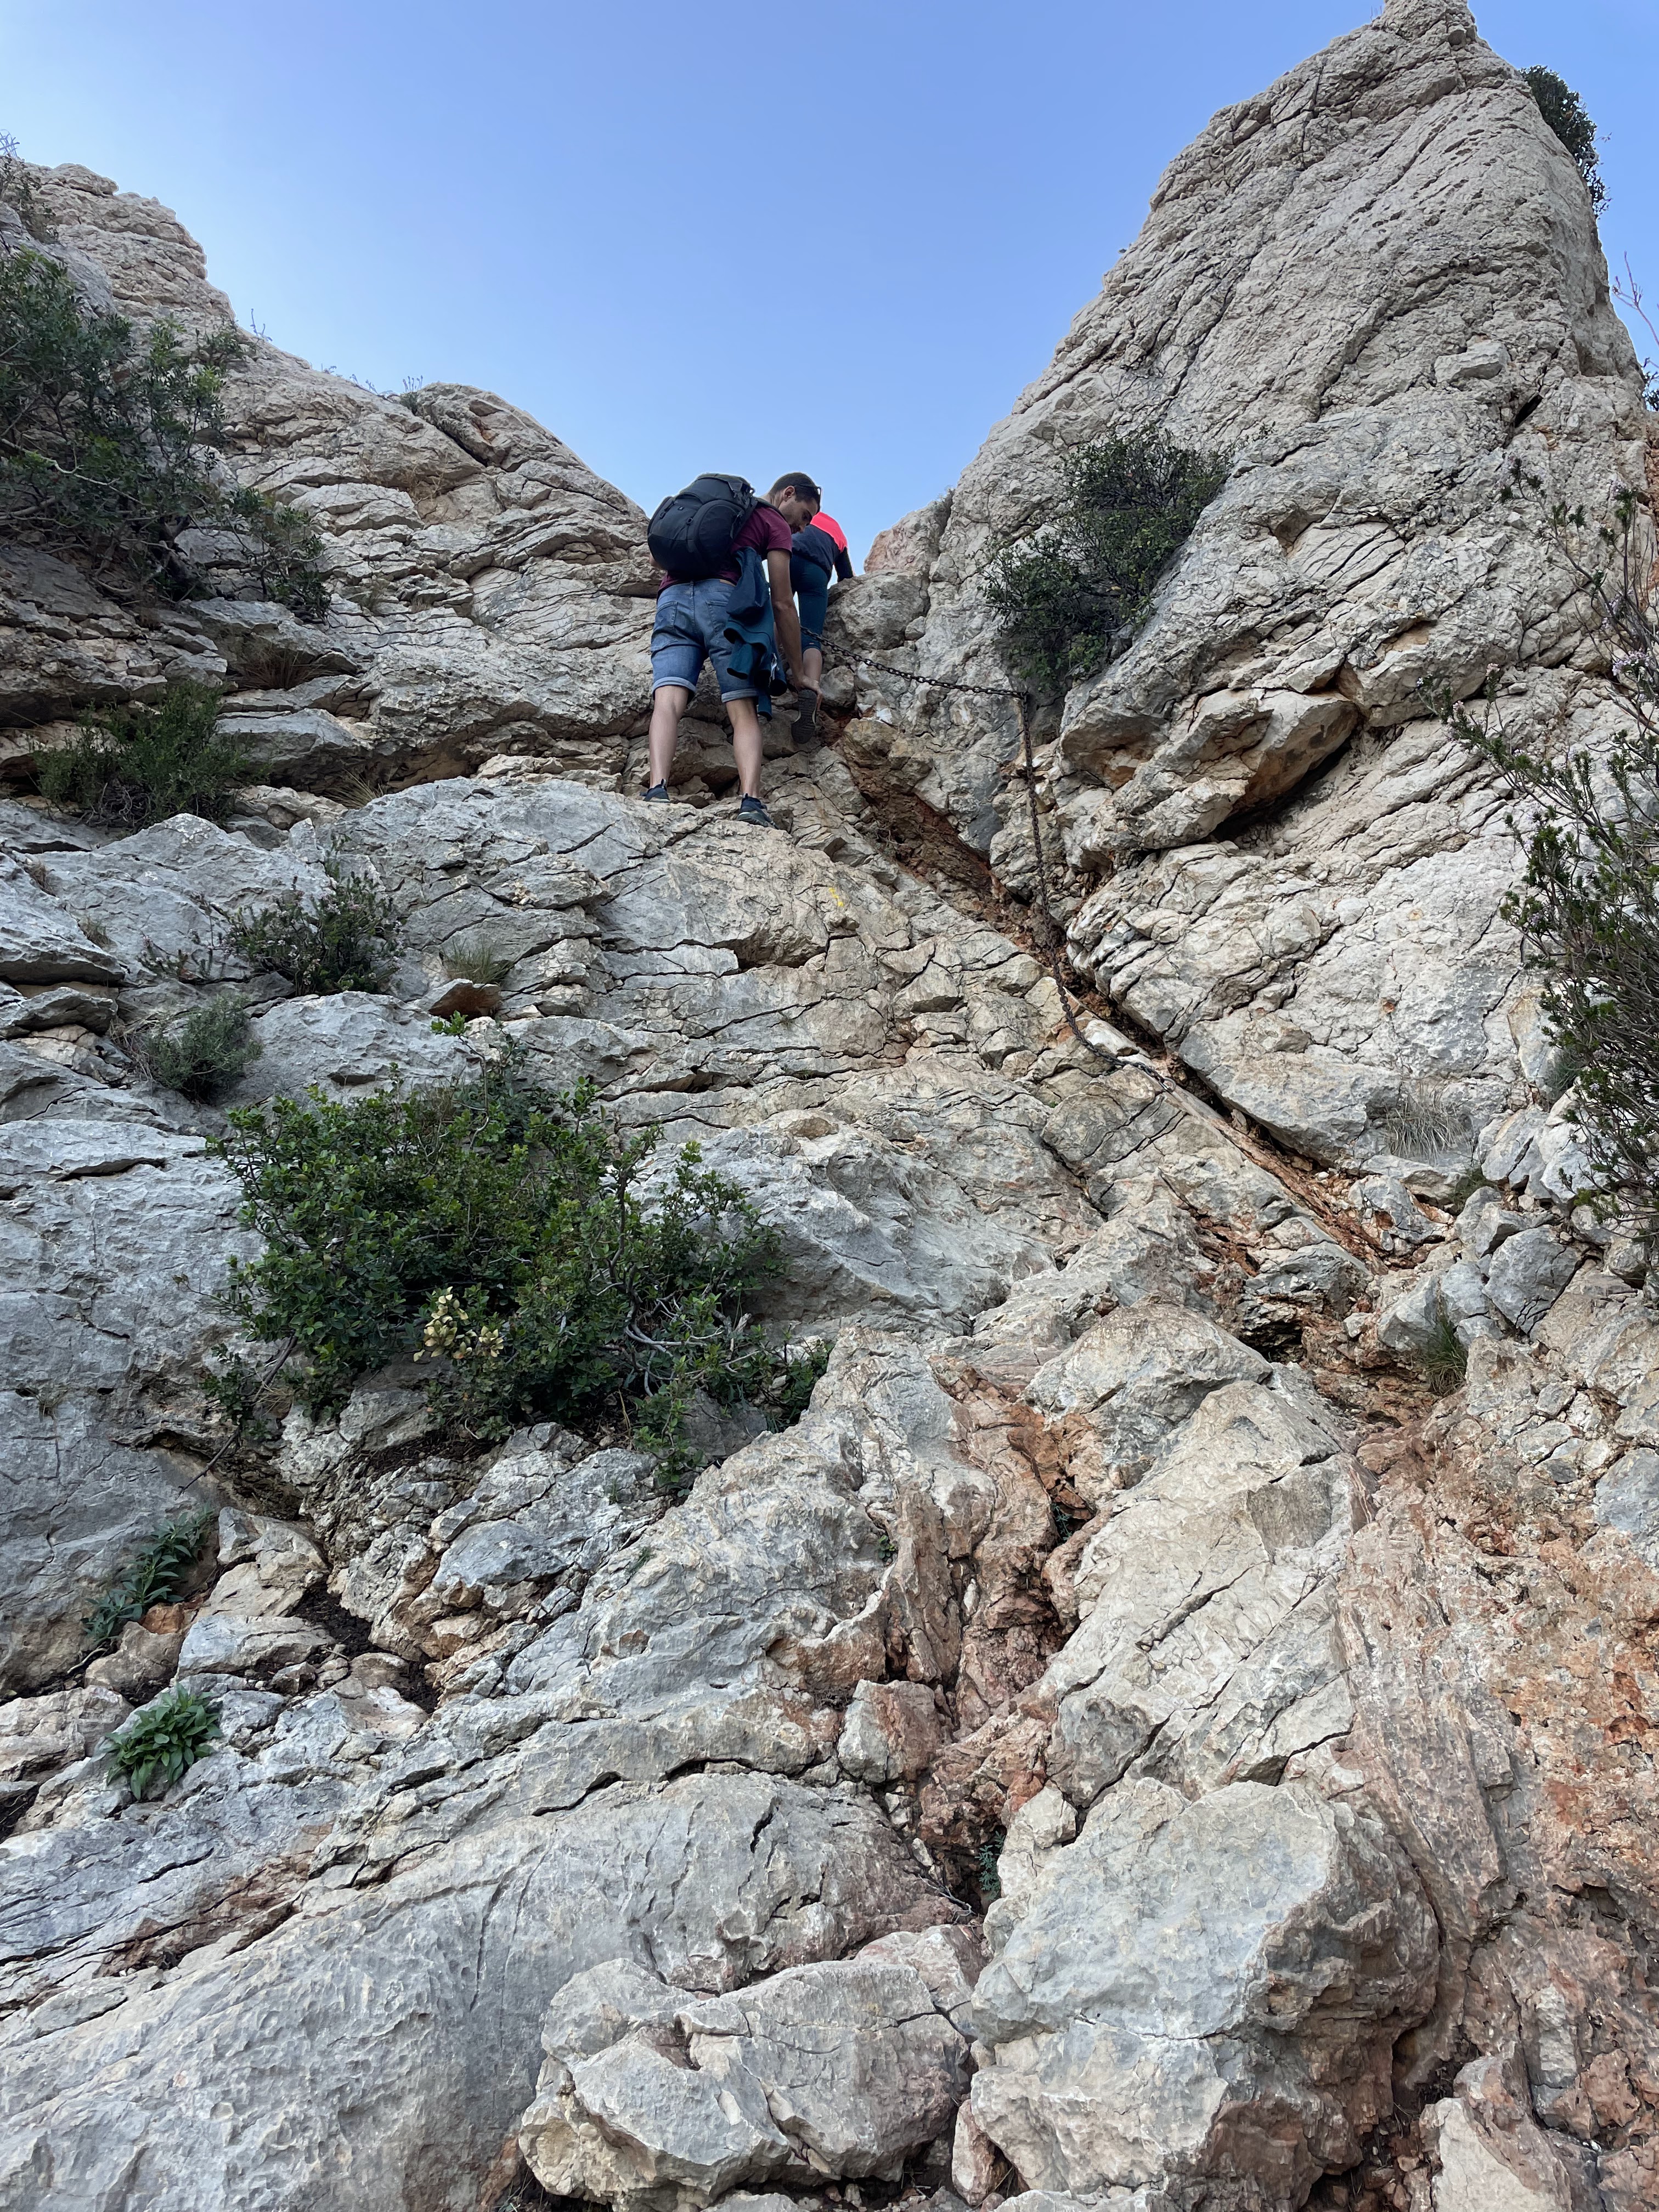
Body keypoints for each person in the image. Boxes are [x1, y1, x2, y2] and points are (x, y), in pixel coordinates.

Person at [645, 476, 812, 828]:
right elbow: (783, 601)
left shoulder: (719, 507)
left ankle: (656, 790)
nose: (802, 527)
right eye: (805, 515)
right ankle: (751, 802)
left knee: (667, 702)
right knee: (742, 709)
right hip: (723, 602)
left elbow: (658, 558)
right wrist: (798, 672)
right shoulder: (772, 522)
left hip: (671, 600)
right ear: (788, 494)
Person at [774, 475, 855, 746]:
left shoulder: (801, 517)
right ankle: (810, 689)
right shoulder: (838, 532)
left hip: (788, 556)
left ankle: (768, 666)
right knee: (812, 638)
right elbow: (846, 577)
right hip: (817, 572)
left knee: (779, 611)